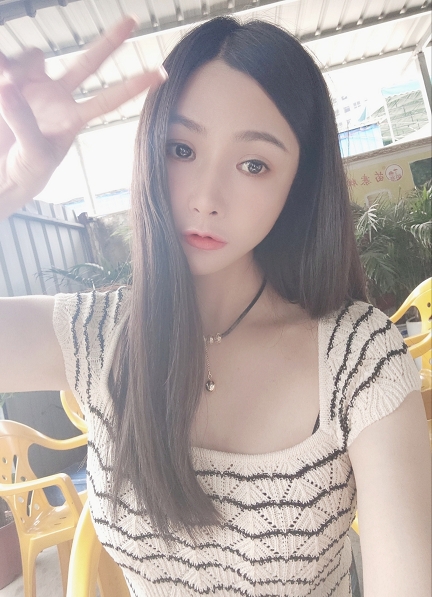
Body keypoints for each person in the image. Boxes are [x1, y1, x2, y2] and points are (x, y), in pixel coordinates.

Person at [0, 15, 430, 597]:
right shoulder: (95, 333)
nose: (206, 198)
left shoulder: (358, 358)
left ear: (298, 183)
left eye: (254, 164)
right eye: (182, 149)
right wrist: (9, 187)